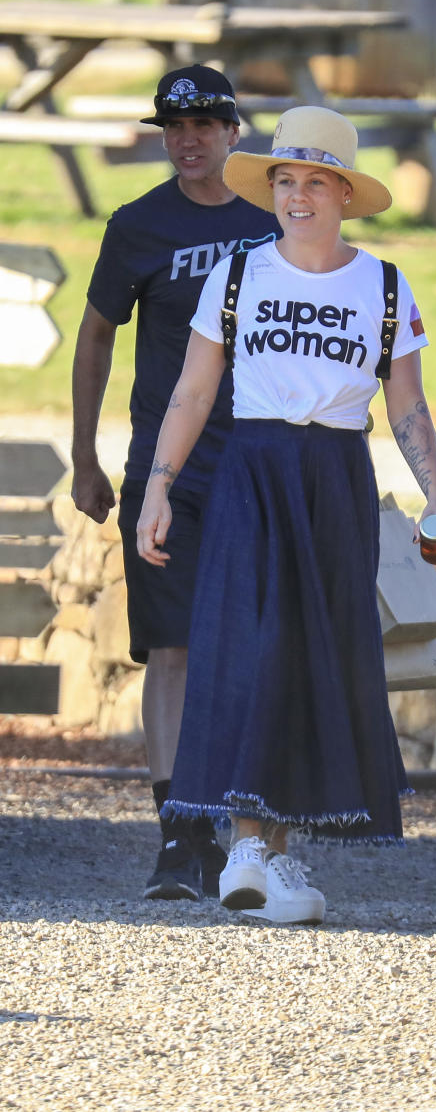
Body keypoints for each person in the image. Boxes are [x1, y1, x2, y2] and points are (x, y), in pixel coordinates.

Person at [135, 105, 436, 925]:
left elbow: (409, 409)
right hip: (251, 470)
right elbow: (194, 390)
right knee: (251, 648)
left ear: (345, 194)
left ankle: (272, 856)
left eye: (316, 181)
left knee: (311, 657)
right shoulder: (239, 276)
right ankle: (248, 846)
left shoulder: (384, 285)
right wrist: (157, 488)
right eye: (286, 179)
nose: (298, 196)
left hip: (333, 475)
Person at [71, 65, 279, 902]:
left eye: (205, 123)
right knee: (173, 648)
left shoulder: (277, 218)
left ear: (236, 132)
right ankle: (179, 836)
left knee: (263, 647)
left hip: (265, 465)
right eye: (173, 126)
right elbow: (94, 339)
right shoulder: (137, 226)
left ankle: (254, 835)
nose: (188, 139)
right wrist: (84, 456)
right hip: (169, 471)